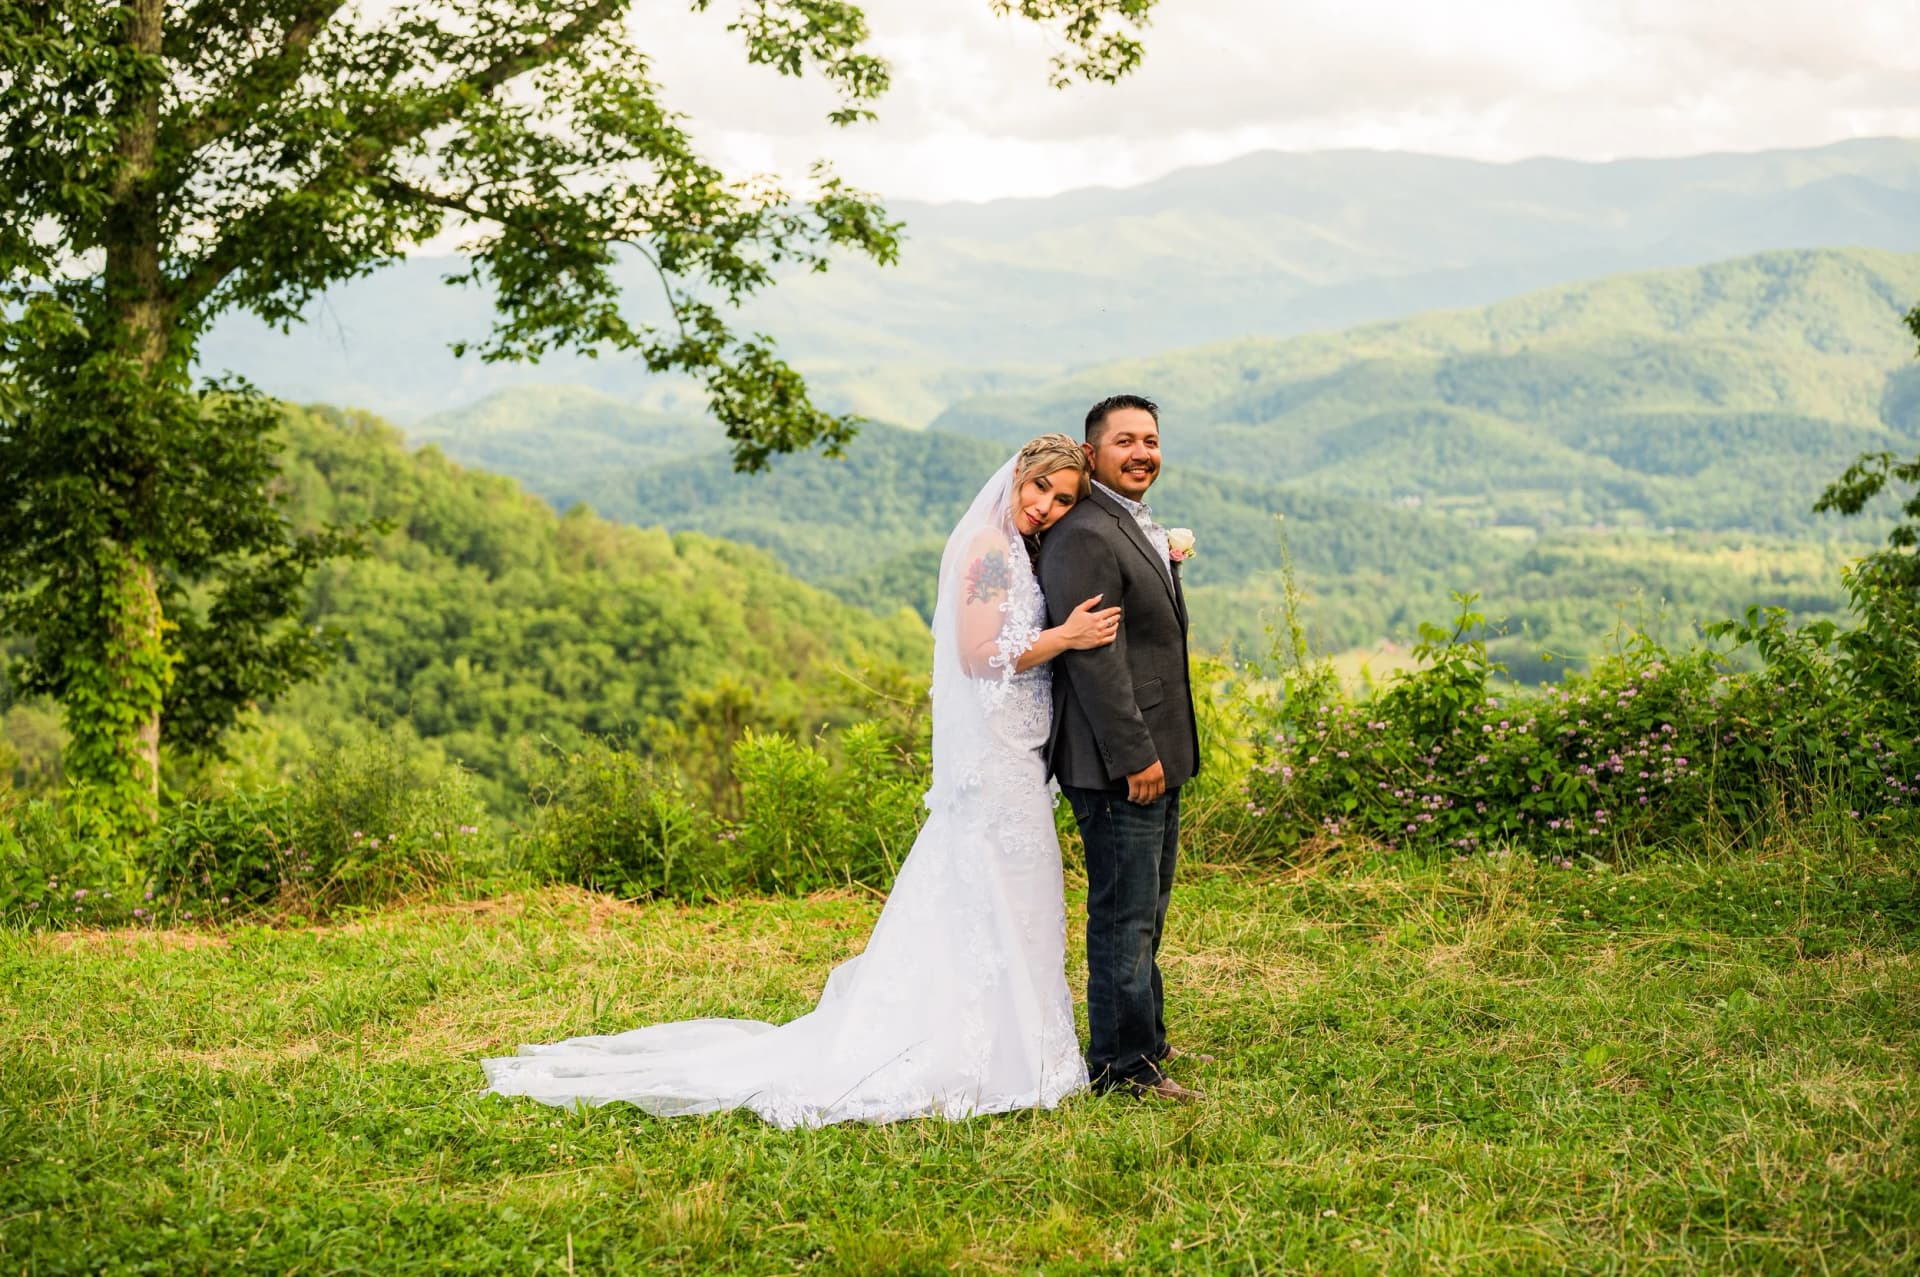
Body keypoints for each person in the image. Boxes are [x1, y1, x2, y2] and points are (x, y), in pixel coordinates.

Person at [481, 434, 1119, 1127]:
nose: (1047, 506)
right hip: (994, 763)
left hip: (1014, 753)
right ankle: (988, 1053)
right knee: (999, 892)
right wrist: (1067, 637)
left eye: (1062, 499)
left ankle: (1019, 1046)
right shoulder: (989, 550)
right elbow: (975, 653)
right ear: (1017, 477)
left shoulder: (1016, 550)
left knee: (1011, 900)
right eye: (1041, 489)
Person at [1038, 394, 1205, 1103]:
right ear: (1093, 452)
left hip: (1155, 749)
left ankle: (1149, 1037)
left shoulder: (1128, 521)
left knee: (1150, 905)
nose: (1143, 452)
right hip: (1118, 761)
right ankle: (1121, 1066)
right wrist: (1134, 753)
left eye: (1152, 440)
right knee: (1124, 912)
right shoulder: (1084, 533)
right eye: (1126, 441)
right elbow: (1095, 661)